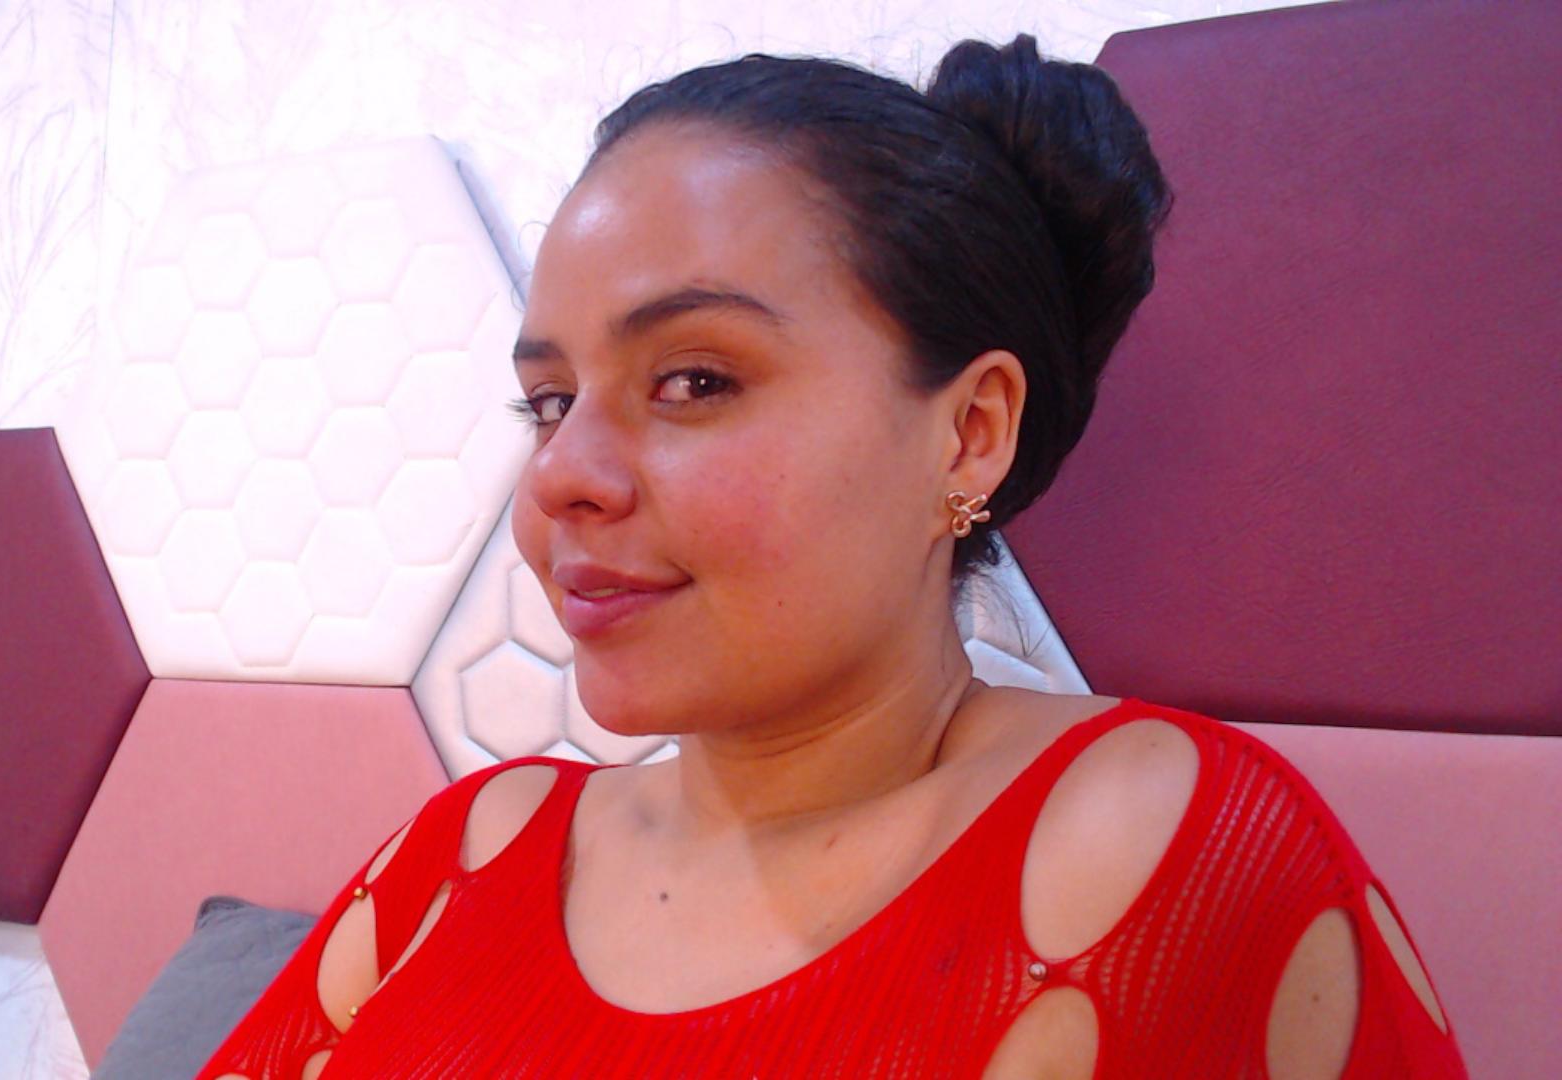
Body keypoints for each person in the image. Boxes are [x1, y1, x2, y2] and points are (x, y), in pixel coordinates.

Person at [198, 35, 1466, 1079]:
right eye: (549, 401)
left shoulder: (1163, 847)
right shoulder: (468, 848)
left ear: (968, 434)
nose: (559, 476)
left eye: (694, 380)